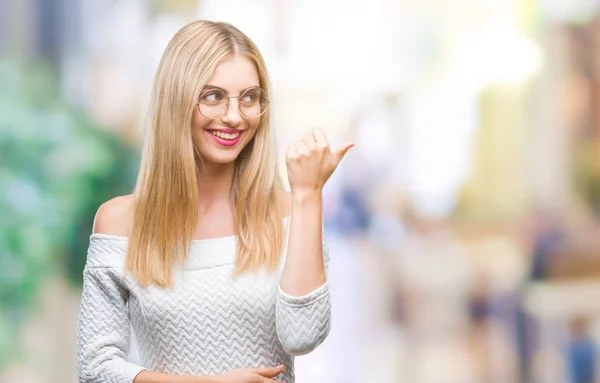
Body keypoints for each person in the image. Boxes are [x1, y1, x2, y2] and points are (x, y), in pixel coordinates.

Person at [76, 20, 353, 383]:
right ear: (176, 101)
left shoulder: (290, 213)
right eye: (213, 96)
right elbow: (95, 369)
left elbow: (302, 336)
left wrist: (307, 195)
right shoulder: (119, 222)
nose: (234, 116)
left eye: (249, 97)